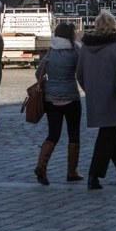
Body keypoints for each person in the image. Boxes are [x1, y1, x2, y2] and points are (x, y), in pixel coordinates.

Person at [76, 9, 116, 190]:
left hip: (95, 97)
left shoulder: (86, 45)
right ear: (113, 25)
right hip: (114, 95)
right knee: (107, 135)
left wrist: (91, 90)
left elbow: (79, 73)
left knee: (112, 132)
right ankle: (94, 175)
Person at [34, 22, 84, 185]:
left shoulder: (50, 52)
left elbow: (38, 72)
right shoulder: (76, 51)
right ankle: (71, 172)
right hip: (71, 97)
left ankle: (41, 166)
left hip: (51, 99)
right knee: (73, 134)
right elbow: (82, 72)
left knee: (53, 134)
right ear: (71, 35)